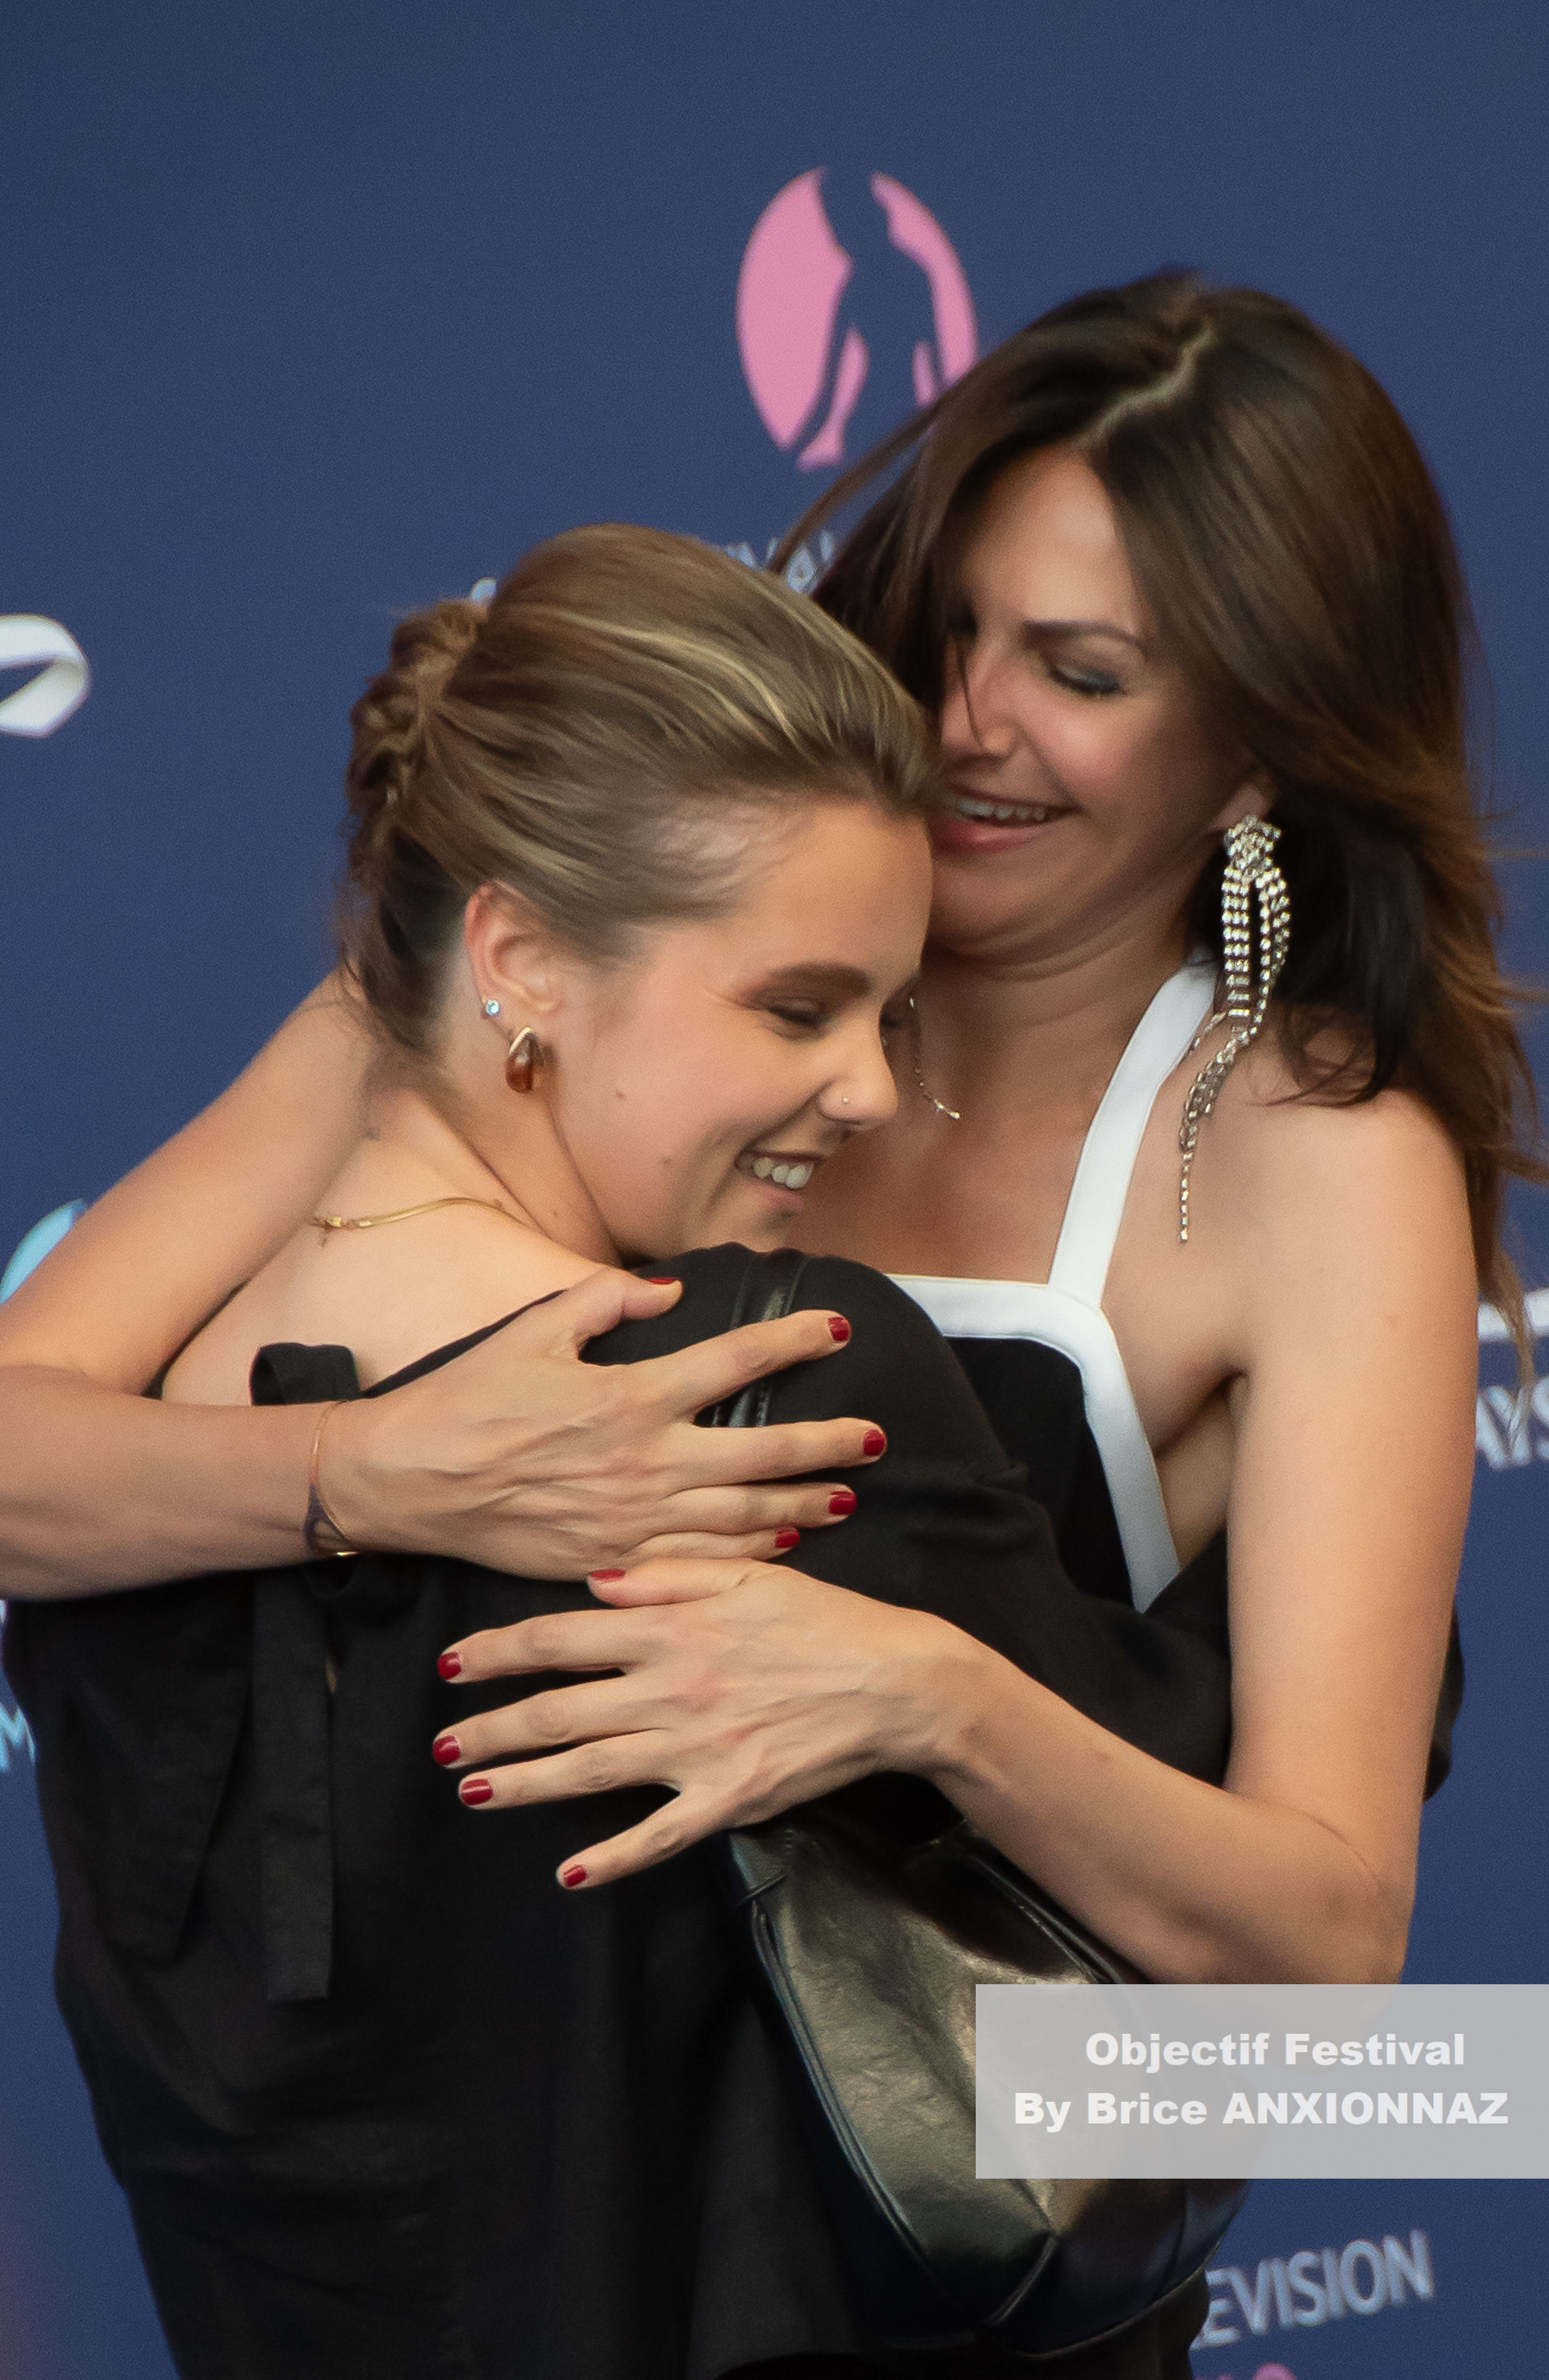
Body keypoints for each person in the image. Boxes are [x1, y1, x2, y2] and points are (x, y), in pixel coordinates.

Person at [2, 522, 1235, 2380]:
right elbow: (1311, 2061)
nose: (874, 1092)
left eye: (888, 1013)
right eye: (796, 1005)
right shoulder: (762, 1387)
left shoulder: (121, 1478)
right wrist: (990, 1671)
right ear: (516, 953)